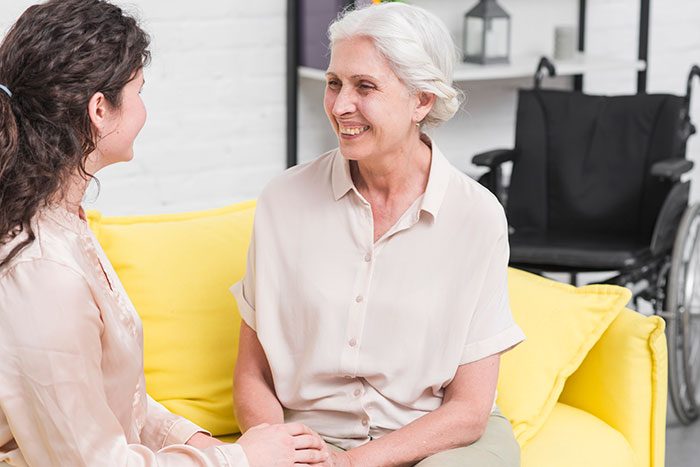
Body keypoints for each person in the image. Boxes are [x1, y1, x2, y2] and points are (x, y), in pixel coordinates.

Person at [0, 1, 329, 465]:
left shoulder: (62, 220)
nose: (143, 107)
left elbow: (116, 404)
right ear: (99, 109)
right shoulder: (43, 272)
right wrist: (244, 461)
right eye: (138, 90)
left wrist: (209, 446)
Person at [231, 3, 526, 466]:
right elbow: (252, 375)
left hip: (437, 439)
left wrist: (353, 463)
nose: (340, 104)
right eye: (334, 83)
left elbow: (469, 411)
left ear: (422, 101)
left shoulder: (476, 216)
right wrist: (285, 450)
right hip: (312, 439)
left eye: (365, 86)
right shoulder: (282, 201)